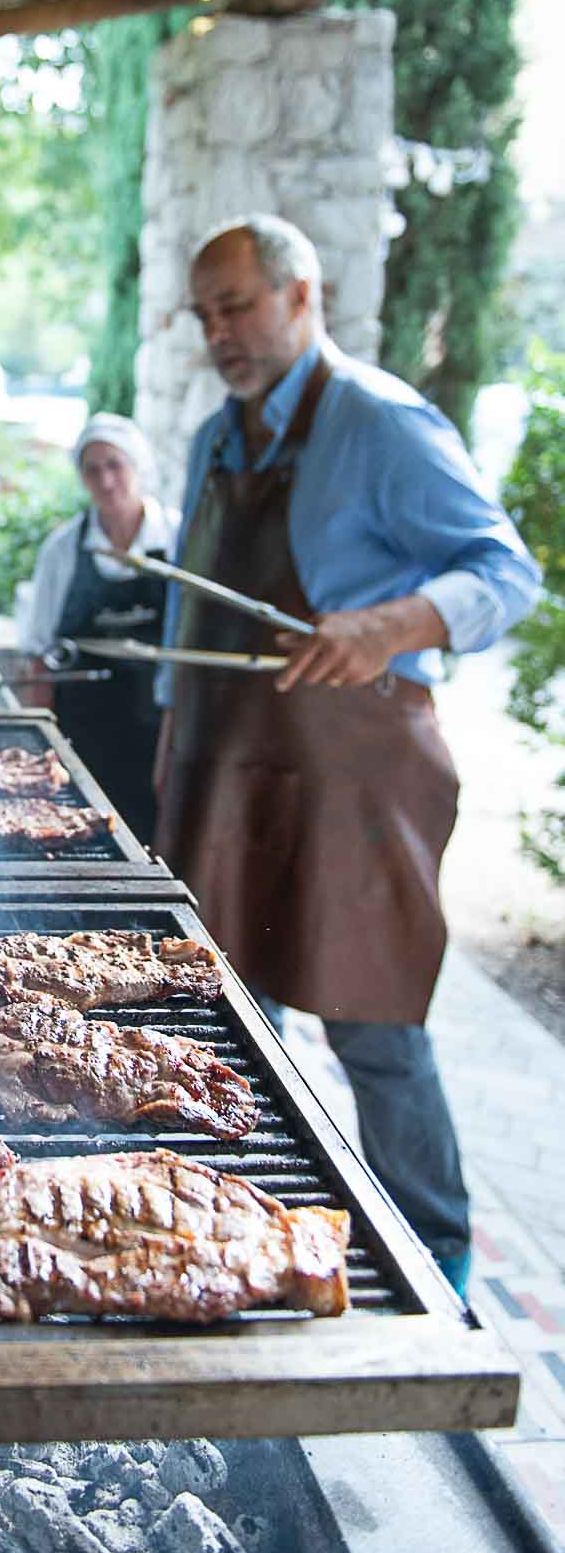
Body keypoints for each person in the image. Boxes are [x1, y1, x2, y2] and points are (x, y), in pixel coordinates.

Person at [153, 215, 541, 1296]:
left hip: (352, 775)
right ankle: (237, 1232)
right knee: (228, 1017)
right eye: (204, 315)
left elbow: (504, 574)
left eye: (234, 306)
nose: (218, 333)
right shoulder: (211, 440)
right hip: (223, 765)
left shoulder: (378, 422)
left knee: (369, 1020)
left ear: (299, 296)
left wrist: (395, 622)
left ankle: (436, 1258)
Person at [18, 412, 178, 841]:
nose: (106, 480)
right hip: (82, 729)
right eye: (92, 469)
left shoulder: (178, 539)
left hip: (159, 730)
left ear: (139, 467)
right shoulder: (64, 549)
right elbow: (39, 655)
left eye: (115, 465)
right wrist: (46, 746)